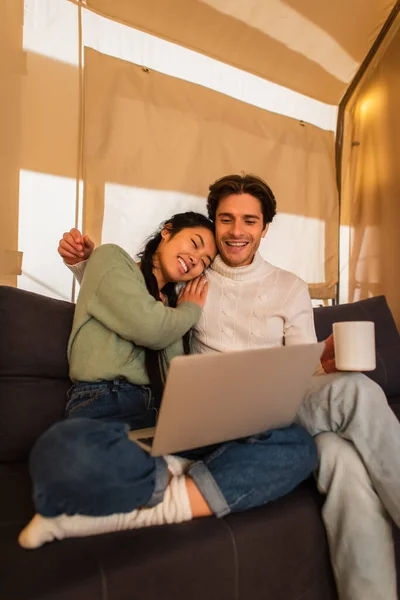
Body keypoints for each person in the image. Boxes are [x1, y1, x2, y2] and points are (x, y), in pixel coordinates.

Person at [54, 174, 400, 600]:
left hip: (279, 405)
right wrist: (82, 262)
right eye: (226, 219)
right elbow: (137, 290)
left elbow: (303, 370)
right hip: (214, 415)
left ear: (265, 227)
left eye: (250, 221)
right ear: (214, 223)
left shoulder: (288, 287)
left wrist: (321, 362)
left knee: (348, 418)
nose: (237, 231)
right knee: (347, 425)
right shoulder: (191, 278)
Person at [19, 210, 317, 550]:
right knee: (60, 450)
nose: (196, 259)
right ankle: (183, 475)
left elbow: (178, 373)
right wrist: (191, 311)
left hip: (166, 421)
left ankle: (168, 491)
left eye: (205, 260)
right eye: (195, 243)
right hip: (103, 409)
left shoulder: (176, 304)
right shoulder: (111, 259)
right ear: (166, 231)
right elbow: (150, 327)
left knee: (295, 443)